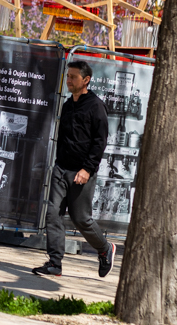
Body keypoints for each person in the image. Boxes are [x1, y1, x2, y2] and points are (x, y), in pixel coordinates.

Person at [33, 60, 116, 278]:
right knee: (53, 214)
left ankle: (105, 248)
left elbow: (100, 142)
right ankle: (54, 263)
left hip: (82, 173)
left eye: (73, 77)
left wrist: (87, 169)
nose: (68, 80)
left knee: (81, 219)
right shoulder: (68, 105)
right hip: (61, 169)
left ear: (86, 80)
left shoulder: (96, 106)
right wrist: (58, 164)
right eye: (67, 76)